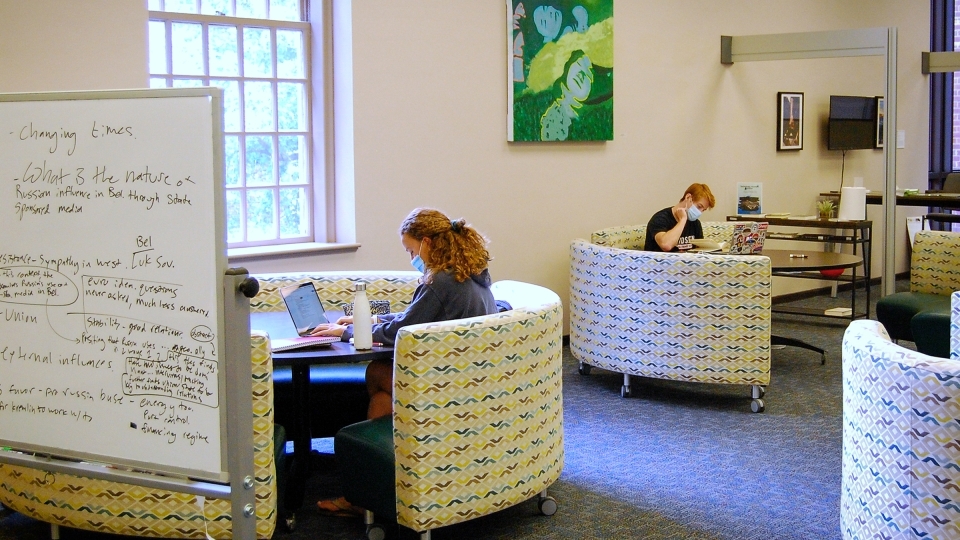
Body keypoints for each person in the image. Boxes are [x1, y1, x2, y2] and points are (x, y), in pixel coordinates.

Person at [311, 207, 499, 517]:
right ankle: (378, 488)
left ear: (426, 242)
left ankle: (372, 489)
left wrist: (345, 333)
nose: (410, 257)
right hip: (473, 381)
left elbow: (399, 330)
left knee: (376, 372)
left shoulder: (440, 281)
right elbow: (414, 317)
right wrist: (370, 318)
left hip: (448, 391)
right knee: (384, 386)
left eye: (410, 250)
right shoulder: (470, 274)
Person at [643, 183, 716, 252]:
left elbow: (700, 250)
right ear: (688, 197)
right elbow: (666, 245)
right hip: (660, 264)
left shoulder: (695, 223)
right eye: (699, 207)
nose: (699, 212)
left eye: (703, 210)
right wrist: (683, 220)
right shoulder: (660, 218)